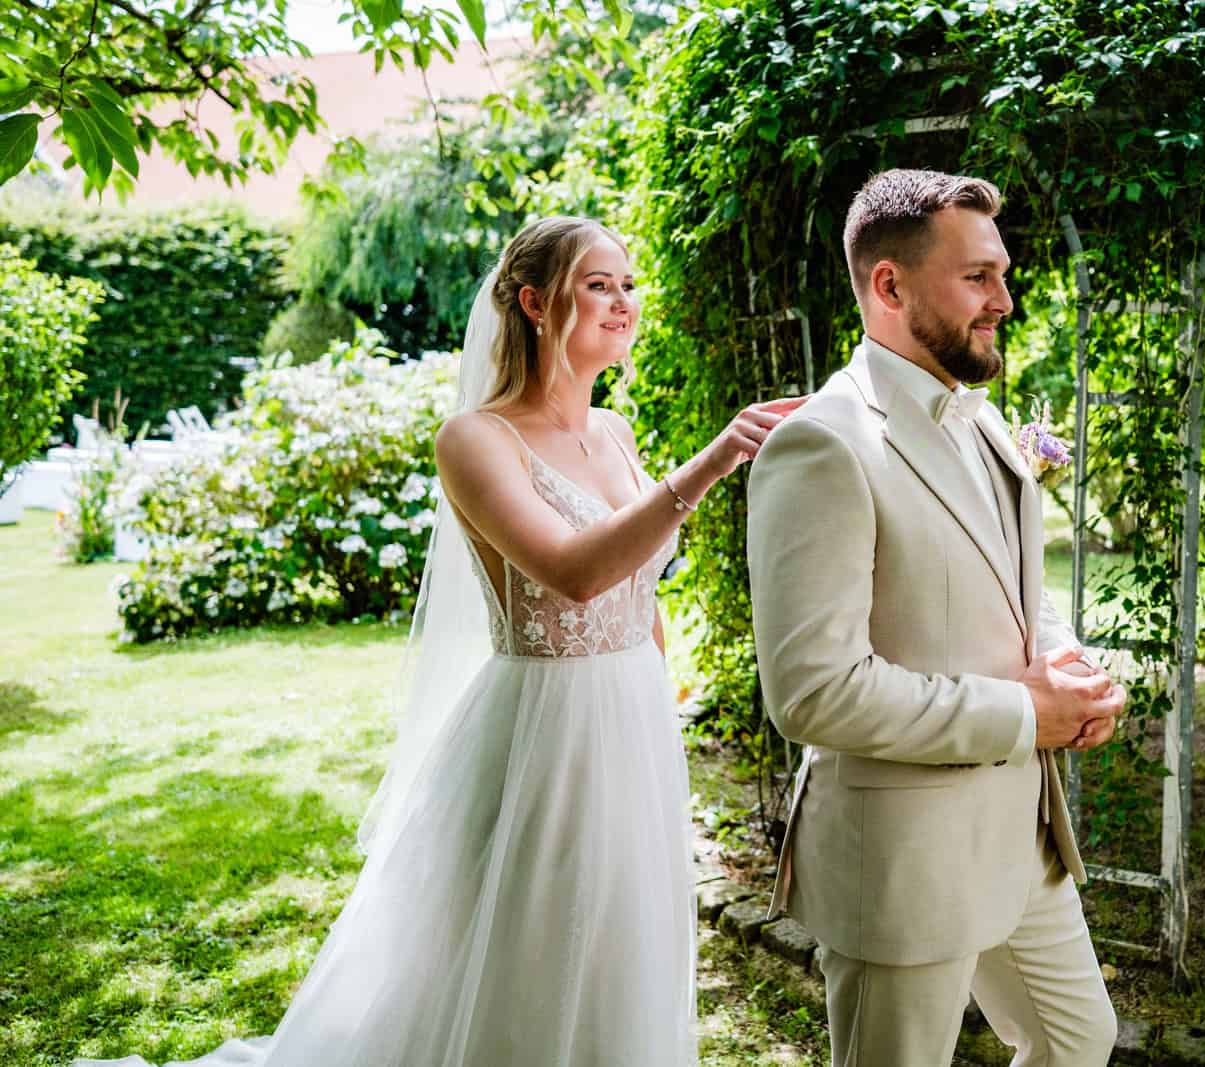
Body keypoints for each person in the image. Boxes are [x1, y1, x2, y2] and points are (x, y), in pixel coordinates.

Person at [75, 215, 802, 1067]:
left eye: (628, 285)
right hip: (545, 726)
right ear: (535, 302)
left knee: (620, 930)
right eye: (599, 284)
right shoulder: (475, 440)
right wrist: (711, 463)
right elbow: (571, 571)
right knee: (533, 942)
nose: (623, 303)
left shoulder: (616, 433)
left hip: (633, 720)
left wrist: (657, 692)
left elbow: (637, 590)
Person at [746, 169, 1127, 1067]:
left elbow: (1010, 586)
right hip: (905, 854)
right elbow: (812, 693)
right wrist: (1027, 713)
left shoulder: (984, 419)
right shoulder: (825, 444)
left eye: (1002, 272)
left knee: (1080, 1041)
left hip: (1018, 836)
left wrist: (1065, 661)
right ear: (890, 285)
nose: (1004, 299)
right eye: (978, 278)